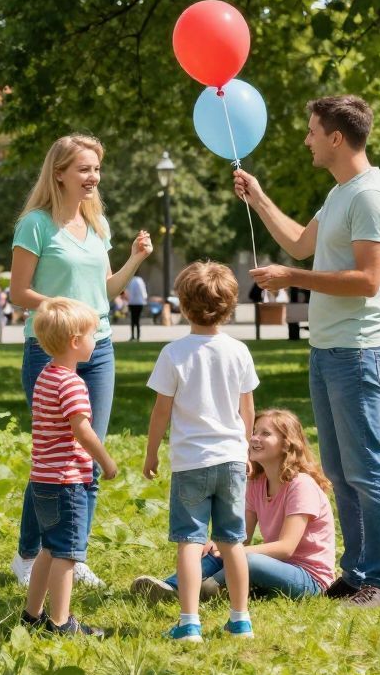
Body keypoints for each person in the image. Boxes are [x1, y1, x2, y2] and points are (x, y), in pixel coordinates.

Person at [236, 95, 380, 608]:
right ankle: (355, 574)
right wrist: (259, 199)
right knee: (339, 465)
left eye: (312, 131)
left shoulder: (371, 196)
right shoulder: (339, 194)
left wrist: (293, 280)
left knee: (366, 466)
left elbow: (368, 280)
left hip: (359, 351)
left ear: (336, 137)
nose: (307, 140)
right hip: (329, 349)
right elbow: (300, 243)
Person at [9, 134, 153, 589]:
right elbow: (19, 293)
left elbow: (106, 291)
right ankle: (28, 555)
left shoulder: (98, 225)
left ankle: (76, 554)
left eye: (96, 169)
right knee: (55, 460)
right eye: (84, 169)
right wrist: (65, 311)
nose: (93, 177)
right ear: (60, 174)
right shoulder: (35, 225)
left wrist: (134, 261)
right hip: (50, 351)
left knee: (87, 459)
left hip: (98, 348)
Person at [138, 262, 256, 641]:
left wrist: (152, 453)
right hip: (232, 460)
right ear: (231, 305)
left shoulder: (173, 353)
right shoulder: (238, 351)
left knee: (190, 542)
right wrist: (246, 449)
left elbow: (162, 410)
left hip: (191, 463)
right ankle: (240, 619)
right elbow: (247, 408)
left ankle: (189, 622)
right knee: (232, 541)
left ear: (184, 305)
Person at [135, 408, 336, 603]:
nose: (255, 438)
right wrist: (221, 546)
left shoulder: (301, 485)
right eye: (254, 432)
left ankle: (207, 589)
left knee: (245, 559)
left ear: (287, 444)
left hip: (310, 578)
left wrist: (232, 552)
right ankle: (171, 587)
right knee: (221, 548)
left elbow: (286, 548)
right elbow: (241, 537)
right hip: (276, 567)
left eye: (265, 434)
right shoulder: (257, 483)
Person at [20, 297, 118, 637]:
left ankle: (32, 615)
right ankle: (61, 623)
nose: (96, 340)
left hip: (42, 480)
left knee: (49, 548)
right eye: (93, 334)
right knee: (67, 555)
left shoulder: (46, 376)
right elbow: (82, 430)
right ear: (76, 342)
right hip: (67, 482)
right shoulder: (72, 383)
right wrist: (105, 460)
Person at [126, 274, 147, 340]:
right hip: (140, 303)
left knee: (133, 320)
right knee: (137, 320)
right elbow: (144, 292)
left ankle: (132, 336)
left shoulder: (130, 280)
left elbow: (128, 291)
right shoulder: (140, 280)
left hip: (132, 302)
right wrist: (144, 298)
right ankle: (138, 336)